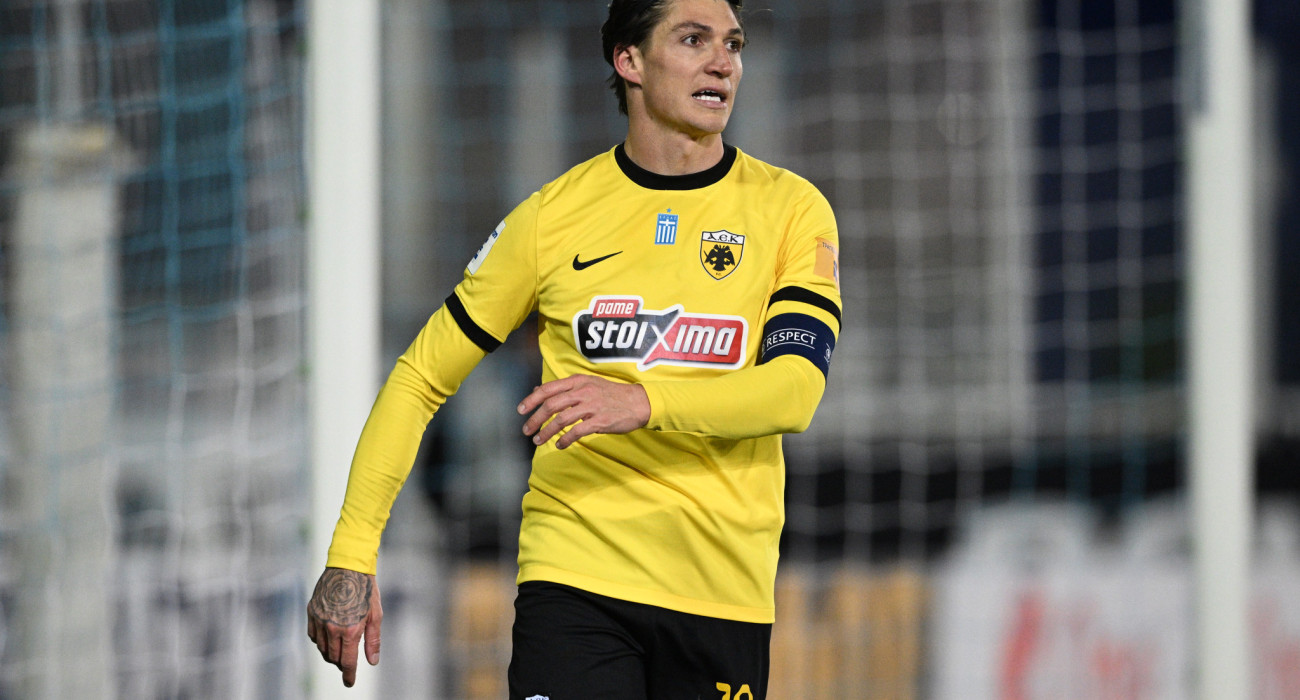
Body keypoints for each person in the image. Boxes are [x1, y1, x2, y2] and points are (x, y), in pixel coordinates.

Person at [306, 0, 841, 697]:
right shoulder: (552, 218)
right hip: (575, 582)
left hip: (721, 596)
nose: (723, 63)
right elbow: (419, 378)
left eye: (733, 44)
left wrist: (641, 401)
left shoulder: (791, 209)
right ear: (630, 60)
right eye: (693, 39)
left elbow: (793, 392)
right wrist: (352, 551)